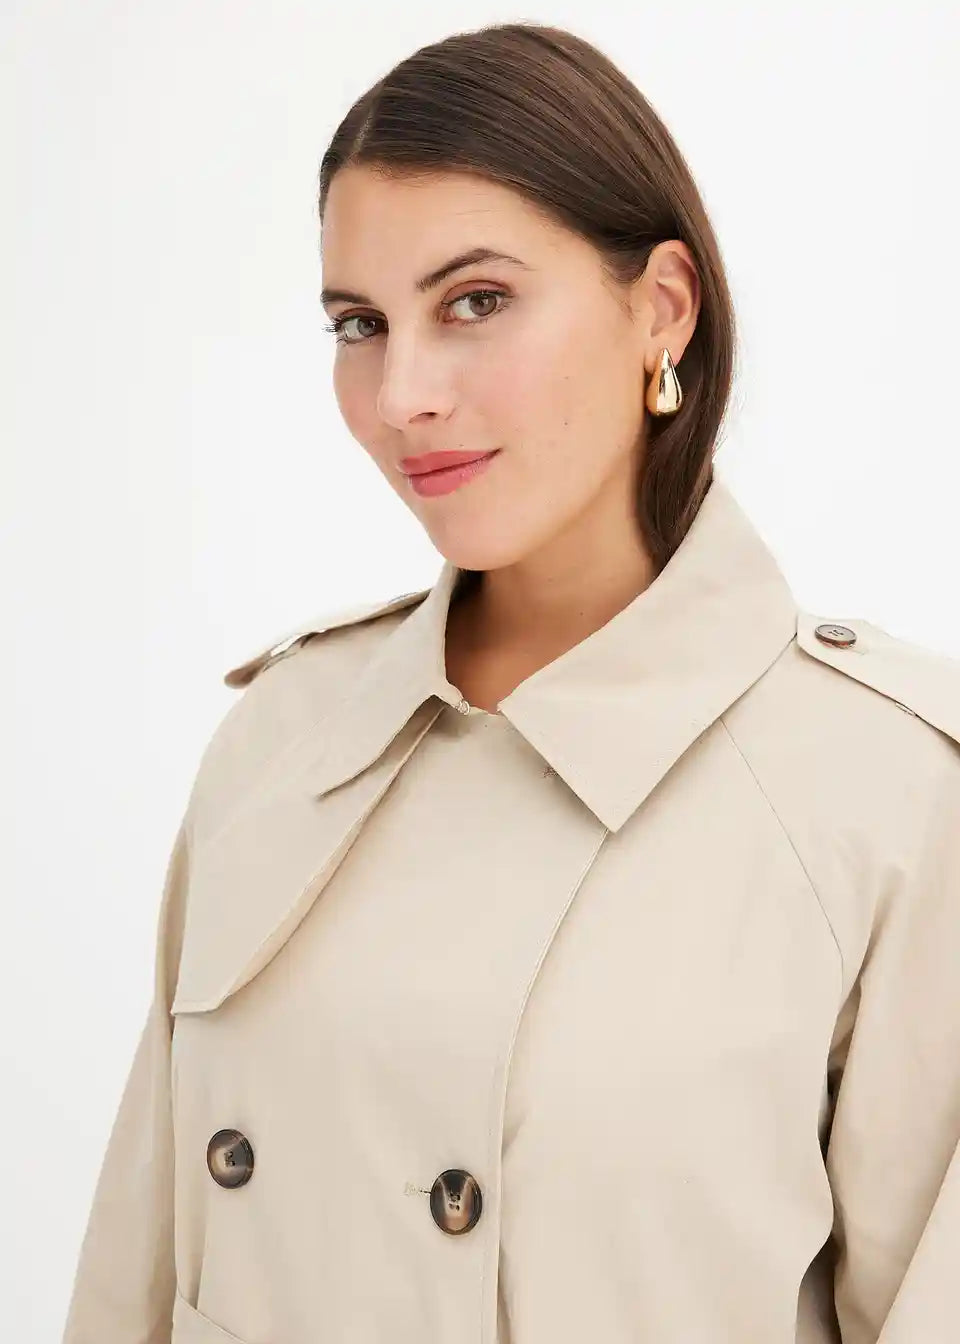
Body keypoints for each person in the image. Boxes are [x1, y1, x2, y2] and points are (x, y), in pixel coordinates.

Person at [62, 20, 960, 1344]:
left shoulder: (888, 794)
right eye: (360, 324)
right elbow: (134, 1287)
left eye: (475, 302)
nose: (401, 395)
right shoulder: (283, 739)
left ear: (661, 309)